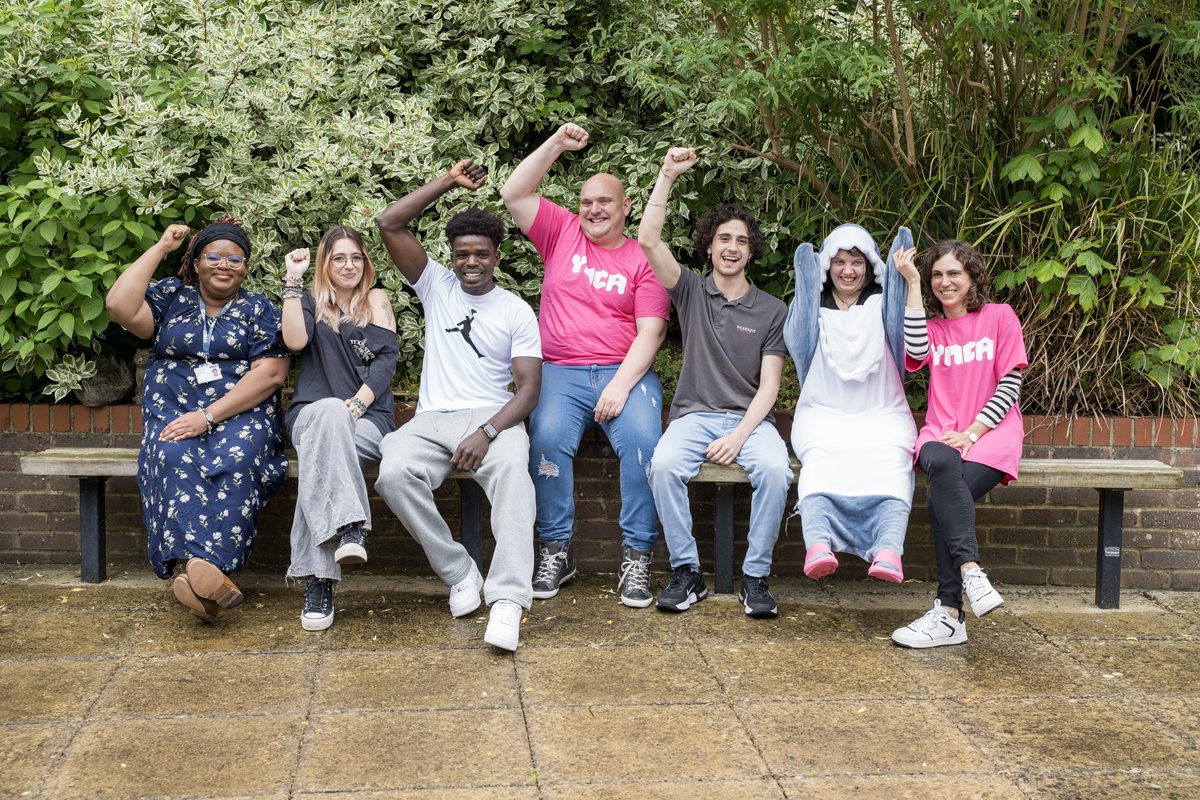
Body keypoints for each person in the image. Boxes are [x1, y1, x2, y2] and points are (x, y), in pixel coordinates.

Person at [375, 159, 542, 652]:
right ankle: (459, 570)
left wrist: (488, 433)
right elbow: (389, 222)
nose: (471, 262)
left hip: (493, 417)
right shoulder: (435, 287)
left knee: (513, 470)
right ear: (452, 256)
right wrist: (447, 180)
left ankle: (509, 599)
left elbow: (529, 390)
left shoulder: (515, 308)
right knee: (393, 470)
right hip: (433, 420)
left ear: (496, 256)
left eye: (481, 254)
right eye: (462, 253)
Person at [501, 122, 670, 607]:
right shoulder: (561, 232)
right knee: (548, 439)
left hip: (625, 371)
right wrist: (556, 143)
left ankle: (637, 556)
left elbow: (652, 332)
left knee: (643, 445)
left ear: (626, 208)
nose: (594, 210)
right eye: (587, 201)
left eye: (606, 202)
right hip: (561, 371)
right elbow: (514, 192)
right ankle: (556, 550)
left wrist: (619, 384)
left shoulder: (643, 258)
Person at [104, 218, 289, 623]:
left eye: (235, 259)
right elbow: (119, 305)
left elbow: (272, 374)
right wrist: (161, 249)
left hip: (241, 413)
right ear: (197, 262)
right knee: (172, 456)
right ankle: (206, 576)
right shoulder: (172, 297)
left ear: (245, 267)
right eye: (215, 256)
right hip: (173, 411)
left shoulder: (259, 308)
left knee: (238, 460)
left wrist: (207, 416)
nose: (225, 265)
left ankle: (197, 570)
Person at [638, 148, 792, 616]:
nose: (731, 247)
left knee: (775, 470)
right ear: (708, 246)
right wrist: (666, 174)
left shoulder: (772, 309)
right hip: (693, 417)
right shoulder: (688, 290)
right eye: (723, 238)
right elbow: (647, 240)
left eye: (741, 241)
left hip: (748, 423)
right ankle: (687, 572)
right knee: (662, 465)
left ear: (750, 250)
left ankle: (755, 577)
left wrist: (739, 435)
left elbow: (770, 387)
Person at [890, 239, 1027, 648]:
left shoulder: (1000, 317)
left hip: (990, 434)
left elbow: (1011, 384)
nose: (944, 282)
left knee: (945, 498)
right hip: (941, 432)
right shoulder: (933, 329)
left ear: (971, 277)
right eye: (936, 275)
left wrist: (973, 433)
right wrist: (912, 282)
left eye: (954, 273)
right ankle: (971, 572)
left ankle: (949, 613)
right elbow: (914, 349)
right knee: (941, 468)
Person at [783, 224, 918, 585]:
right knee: (821, 463)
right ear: (826, 265)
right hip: (823, 413)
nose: (847, 270)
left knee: (892, 459)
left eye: (856, 261)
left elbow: (907, 337)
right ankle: (818, 546)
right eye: (838, 261)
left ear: (871, 264)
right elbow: (796, 341)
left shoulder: (883, 305)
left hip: (882, 412)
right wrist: (806, 282)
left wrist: (903, 276)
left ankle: (889, 549)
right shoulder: (813, 310)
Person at [280, 226, 398, 631]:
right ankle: (349, 528)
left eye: (356, 258)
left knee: (321, 454)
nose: (349, 265)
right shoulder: (310, 302)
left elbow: (385, 363)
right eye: (339, 258)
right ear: (324, 264)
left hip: (366, 422)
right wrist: (293, 282)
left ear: (366, 263)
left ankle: (319, 581)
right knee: (328, 415)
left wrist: (361, 402)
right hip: (311, 415)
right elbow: (294, 342)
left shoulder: (377, 301)